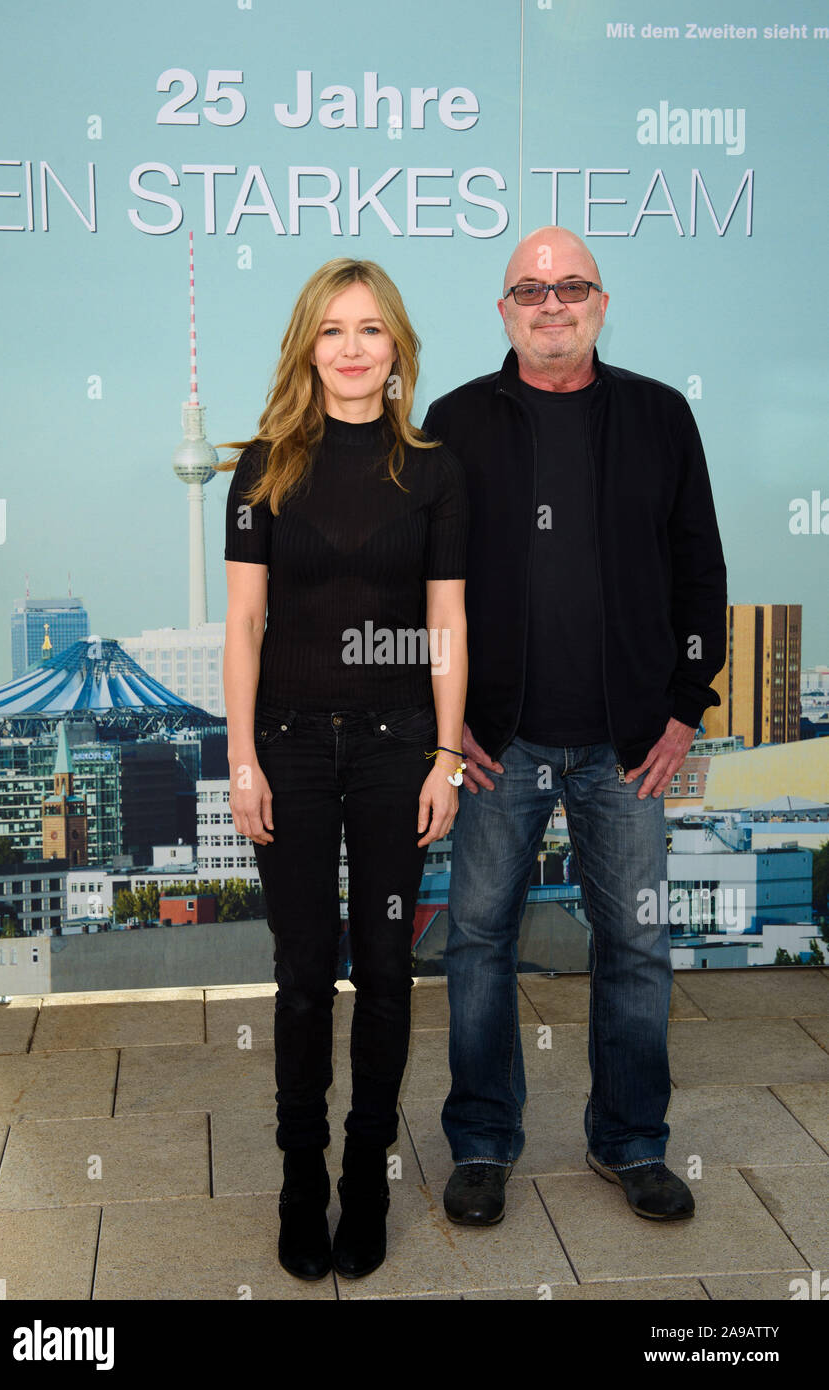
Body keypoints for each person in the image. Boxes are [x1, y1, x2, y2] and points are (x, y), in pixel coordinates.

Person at [422, 225, 727, 1226]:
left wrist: (684, 705)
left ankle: (632, 1139)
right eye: (529, 290)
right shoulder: (455, 420)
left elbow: (699, 570)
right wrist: (448, 716)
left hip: (625, 746)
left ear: (601, 302)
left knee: (634, 945)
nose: (550, 304)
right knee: (474, 940)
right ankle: (479, 1141)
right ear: (501, 310)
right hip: (495, 743)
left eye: (570, 287)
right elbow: (427, 583)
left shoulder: (657, 415)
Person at [221, 258, 468, 1280]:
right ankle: (298, 1178)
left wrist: (446, 755)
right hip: (286, 743)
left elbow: (446, 623)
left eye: (370, 329)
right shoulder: (264, 465)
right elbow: (242, 622)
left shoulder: (437, 471)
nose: (353, 347)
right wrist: (240, 758)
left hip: (395, 745)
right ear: (307, 346)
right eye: (333, 330)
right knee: (298, 979)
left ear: (395, 347)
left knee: (383, 972)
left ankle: (364, 1173)